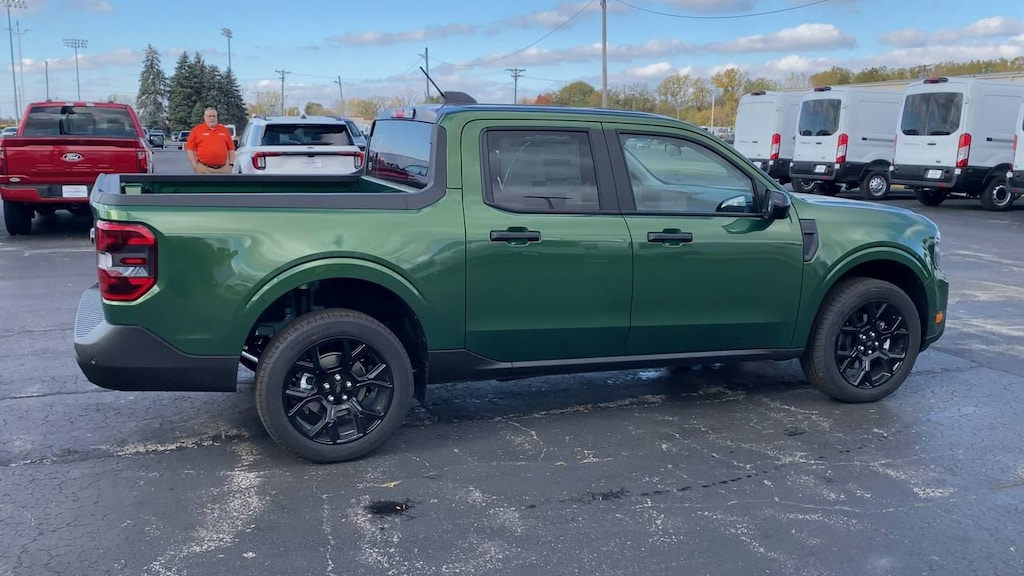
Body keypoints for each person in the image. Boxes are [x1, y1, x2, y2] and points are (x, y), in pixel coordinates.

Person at [185, 107, 236, 174]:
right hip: (203, 169)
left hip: (223, 169)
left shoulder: (224, 130)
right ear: (205, 117)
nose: (212, 118)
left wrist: (231, 164)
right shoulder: (197, 130)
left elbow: (231, 149)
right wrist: (195, 165)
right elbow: (190, 149)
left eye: (214, 116)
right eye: (209, 116)